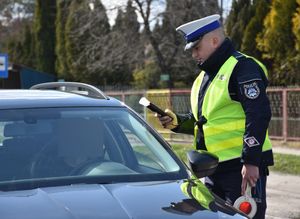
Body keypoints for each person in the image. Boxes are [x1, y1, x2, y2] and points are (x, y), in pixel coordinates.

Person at [157, 14, 274, 219]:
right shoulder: (203, 77)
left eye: (196, 48)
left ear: (214, 41)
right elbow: (205, 121)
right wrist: (177, 122)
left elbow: (258, 115)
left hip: (241, 168)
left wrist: (251, 161)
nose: (194, 55)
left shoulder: (243, 67)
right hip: (212, 170)